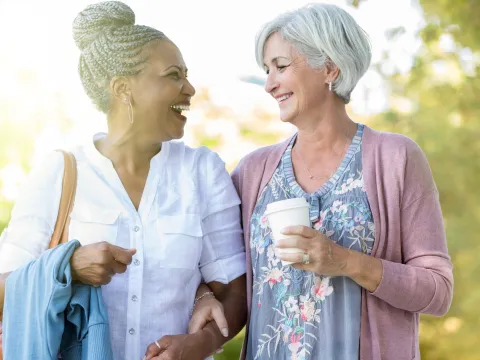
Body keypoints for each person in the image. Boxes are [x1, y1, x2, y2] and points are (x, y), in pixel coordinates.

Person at [0, 2, 247, 359]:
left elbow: (235, 290)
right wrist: (67, 268)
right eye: (173, 75)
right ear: (123, 89)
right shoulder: (59, 172)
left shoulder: (202, 172)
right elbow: (4, 289)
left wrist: (200, 344)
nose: (190, 88)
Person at [231, 3, 453, 360]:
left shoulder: (395, 158)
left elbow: (438, 290)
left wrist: (345, 261)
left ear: (330, 68)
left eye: (281, 66)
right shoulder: (252, 171)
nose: (270, 84)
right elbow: (226, 281)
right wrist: (203, 301)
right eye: (266, 70)